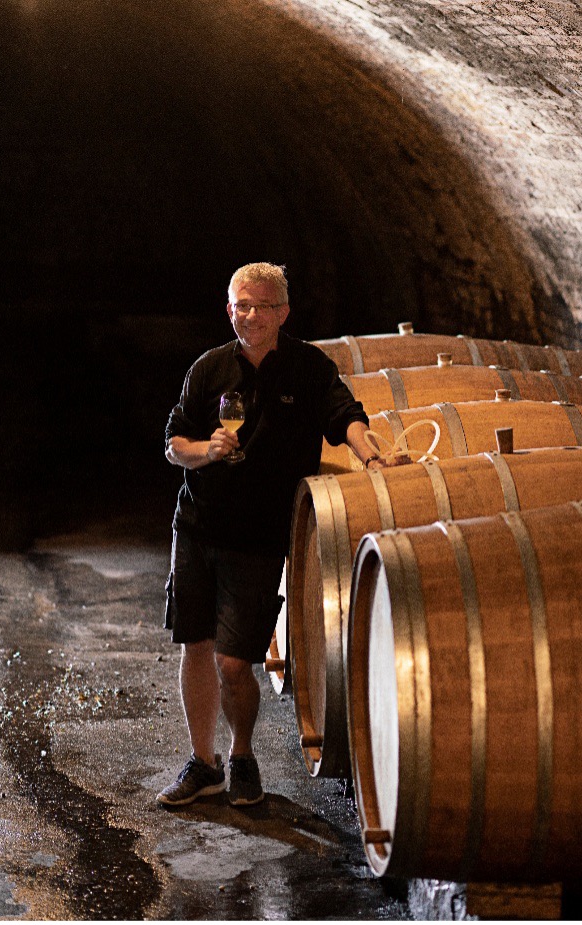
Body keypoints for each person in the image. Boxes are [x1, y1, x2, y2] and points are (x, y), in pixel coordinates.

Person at [158, 262, 395, 807]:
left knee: (234, 662)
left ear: (283, 312)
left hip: (260, 538)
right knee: (196, 646)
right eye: (241, 305)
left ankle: (242, 754)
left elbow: (346, 416)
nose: (250, 316)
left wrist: (372, 455)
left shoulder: (307, 368)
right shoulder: (209, 368)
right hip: (197, 527)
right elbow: (174, 444)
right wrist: (206, 451)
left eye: (262, 307)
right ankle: (205, 763)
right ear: (229, 309)